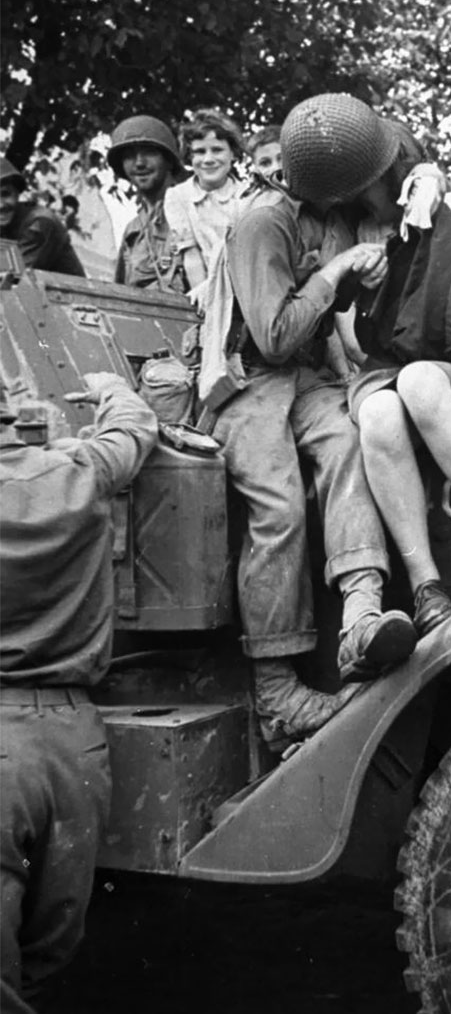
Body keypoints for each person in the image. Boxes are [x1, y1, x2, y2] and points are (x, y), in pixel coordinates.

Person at [195, 124, 425, 748]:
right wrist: (338, 273)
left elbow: (336, 306)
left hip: (309, 376)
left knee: (352, 445)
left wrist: (358, 277)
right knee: (279, 508)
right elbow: (271, 335)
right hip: (247, 381)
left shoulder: (336, 215)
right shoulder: (263, 221)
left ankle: (361, 617)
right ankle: (274, 691)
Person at [281, 93, 451, 638]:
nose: (357, 198)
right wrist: (360, 283)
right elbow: (354, 346)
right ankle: (427, 586)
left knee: (421, 381)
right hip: (382, 374)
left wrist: (430, 232)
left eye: (365, 184)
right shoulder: (350, 238)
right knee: (377, 412)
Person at [0, 373, 158, 1013]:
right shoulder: (82, 472)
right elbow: (135, 427)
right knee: (52, 945)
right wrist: (112, 387)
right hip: (77, 744)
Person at [163, 109, 249, 302]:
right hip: (205, 288)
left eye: (217, 150)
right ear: (190, 157)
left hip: (246, 287)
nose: (208, 159)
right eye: (200, 152)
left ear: (233, 154)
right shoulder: (178, 197)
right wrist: (206, 297)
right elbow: (191, 255)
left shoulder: (248, 196)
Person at [109, 115, 188, 294]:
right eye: (129, 156)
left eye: (149, 153)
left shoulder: (191, 210)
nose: (139, 163)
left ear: (168, 159)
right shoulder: (133, 231)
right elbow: (121, 294)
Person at [0, 157, 86, 277]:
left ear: (17, 193)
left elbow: (11, 281)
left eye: (5, 194)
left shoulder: (39, 222)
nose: (1, 205)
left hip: (69, 294)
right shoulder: (5, 225)